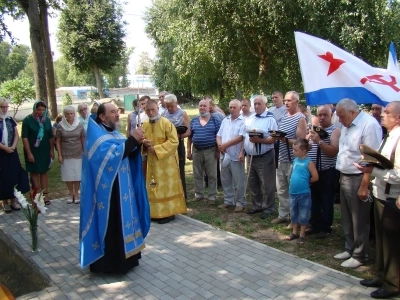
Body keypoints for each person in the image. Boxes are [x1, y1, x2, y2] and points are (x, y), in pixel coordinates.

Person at [79, 103, 150, 274]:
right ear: (102, 117)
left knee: (125, 220)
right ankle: (111, 264)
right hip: (109, 194)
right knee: (113, 224)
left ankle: (129, 259)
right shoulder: (96, 137)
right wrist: (132, 139)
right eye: (113, 112)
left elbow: (125, 152)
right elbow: (110, 158)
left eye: (117, 112)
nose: (117, 115)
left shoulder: (115, 134)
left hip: (124, 189)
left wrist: (136, 144)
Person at [354, 101, 400, 299]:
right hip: (381, 194)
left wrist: (374, 171)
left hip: (392, 197)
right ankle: (381, 275)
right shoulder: (388, 136)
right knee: (381, 239)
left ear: (398, 117)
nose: (382, 114)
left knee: (391, 243)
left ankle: (393, 284)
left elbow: (398, 174)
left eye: (387, 112)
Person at [334, 98, 381, 269]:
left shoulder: (369, 125)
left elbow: (372, 158)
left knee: (359, 218)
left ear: (352, 112)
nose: (339, 119)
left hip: (358, 178)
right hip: (344, 174)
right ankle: (350, 247)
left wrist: (364, 184)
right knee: (347, 216)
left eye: (341, 116)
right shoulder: (346, 124)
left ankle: (360, 254)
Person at [142, 99, 187, 224]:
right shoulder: (144, 125)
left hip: (166, 163)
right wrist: (144, 144)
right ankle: (155, 212)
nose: (151, 112)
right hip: (152, 162)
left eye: (153, 110)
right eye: (148, 110)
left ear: (158, 109)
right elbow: (142, 141)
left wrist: (155, 148)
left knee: (166, 187)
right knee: (153, 185)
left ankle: (169, 212)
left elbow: (174, 142)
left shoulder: (166, 123)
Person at [271, 91, 307, 224]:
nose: (286, 103)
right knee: (281, 189)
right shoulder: (284, 117)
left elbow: (301, 141)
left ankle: (294, 218)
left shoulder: (301, 118)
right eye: (285, 100)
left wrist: (284, 139)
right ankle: (283, 215)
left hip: (294, 160)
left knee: (294, 189)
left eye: (289, 101)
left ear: (297, 102)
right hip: (281, 157)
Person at [307, 105, 340, 238]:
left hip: (328, 171)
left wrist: (319, 142)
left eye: (325, 114)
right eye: (320, 115)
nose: (322, 117)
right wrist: (308, 143)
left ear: (331, 115)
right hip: (314, 171)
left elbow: (333, 152)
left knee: (327, 201)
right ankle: (314, 224)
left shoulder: (335, 130)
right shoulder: (314, 130)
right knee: (314, 200)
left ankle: (325, 228)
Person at [243, 95, 278, 218]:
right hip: (251, 156)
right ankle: (257, 205)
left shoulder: (270, 119)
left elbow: (274, 139)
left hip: (265, 156)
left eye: (259, 104)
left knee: (267, 183)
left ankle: (269, 207)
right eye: (255, 104)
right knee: (253, 182)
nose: (257, 106)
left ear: (265, 105)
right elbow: (245, 136)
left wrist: (259, 140)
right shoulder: (250, 118)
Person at [187, 99, 222, 204]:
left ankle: (212, 196)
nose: (202, 108)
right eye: (200, 106)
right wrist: (188, 150)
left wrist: (218, 151)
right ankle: (199, 194)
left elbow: (219, 136)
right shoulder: (194, 120)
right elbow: (189, 138)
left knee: (212, 175)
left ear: (209, 107)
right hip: (197, 150)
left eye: (204, 106)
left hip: (210, 150)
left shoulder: (215, 120)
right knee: (197, 174)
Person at [286, 138, 318, 245]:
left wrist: (306, 181)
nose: (293, 151)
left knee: (303, 214)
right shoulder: (295, 161)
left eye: (295, 150)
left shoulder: (309, 162)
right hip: (293, 192)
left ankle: (302, 234)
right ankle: (294, 232)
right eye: (293, 149)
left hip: (304, 193)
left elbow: (315, 177)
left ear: (303, 150)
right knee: (294, 213)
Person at [22, 100, 54, 205]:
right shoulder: (27, 120)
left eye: (42, 110)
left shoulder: (47, 120)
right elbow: (25, 138)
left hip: (44, 149)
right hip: (33, 150)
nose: (40, 112)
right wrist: (29, 153)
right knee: (34, 172)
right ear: (34, 109)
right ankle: (36, 196)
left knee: (44, 172)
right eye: (38, 109)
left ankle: (45, 195)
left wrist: (51, 150)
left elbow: (50, 136)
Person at [0, 98, 29, 212]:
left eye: (6, 107)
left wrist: (12, 147)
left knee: (13, 175)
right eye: (3, 107)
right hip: (2, 152)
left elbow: (16, 134)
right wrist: (5, 148)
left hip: (12, 151)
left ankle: (13, 200)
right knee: (3, 177)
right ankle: (4, 202)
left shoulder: (9, 119)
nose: (5, 109)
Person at [216, 100, 246, 212]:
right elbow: (218, 135)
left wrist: (225, 145)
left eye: (234, 107)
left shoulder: (243, 121)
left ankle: (240, 202)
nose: (232, 109)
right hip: (224, 155)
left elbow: (241, 137)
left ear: (240, 109)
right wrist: (220, 146)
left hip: (236, 155)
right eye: (230, 107)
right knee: (225, 179)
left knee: (239, 180)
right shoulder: (225, 120)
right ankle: (228, 201)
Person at [163, 94, 191, 201]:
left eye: (172, 106)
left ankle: (183, 196)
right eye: (167, 106)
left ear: (176, 103)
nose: (169, 108)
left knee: (180, 170)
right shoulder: (163, 114)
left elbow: (188, 131)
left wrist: (177, 136)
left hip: (178, 144)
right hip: (166, 145)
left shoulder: (182, 113)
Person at [56, 106, 85, 204]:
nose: (70, 115)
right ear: (65, 115)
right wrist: (59, 155)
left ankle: (76, 193)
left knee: (77, 175)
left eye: (71, 113)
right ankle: (70, 193)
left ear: (74, 114)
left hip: (78, 153)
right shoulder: (60, 126)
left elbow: (83, 139)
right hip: (65, 153)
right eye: (67, 114)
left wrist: (85, 152)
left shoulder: (79, 125)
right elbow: (58, 141)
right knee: (68, 175)